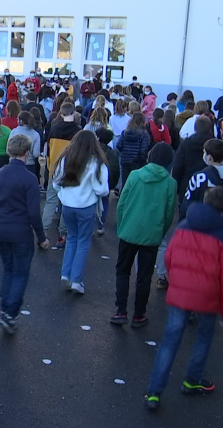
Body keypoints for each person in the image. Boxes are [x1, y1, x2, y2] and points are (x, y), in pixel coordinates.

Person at [143, 186, 223, 412]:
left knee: (170, 340)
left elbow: (169, 257)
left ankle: (154, 392)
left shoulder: (185, 225)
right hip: (207, 296)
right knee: (204, 336)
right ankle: (192, 378)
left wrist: (176, 280)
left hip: (180, 292)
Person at [0, 135, 50, 332]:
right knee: (20, 272)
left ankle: (5, 306)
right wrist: (41, 237)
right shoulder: (29, 179)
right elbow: (33, 212)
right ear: (27, 153)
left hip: (2, 229)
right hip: (21, 231)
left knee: (8, 268)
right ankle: (10, 311)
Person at [110, 144, 176, 327]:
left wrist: (122, 225)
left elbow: (122, 203)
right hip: (152, 232)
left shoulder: (135, 176)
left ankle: (121, 310)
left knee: (123, 270)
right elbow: (169, 213)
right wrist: (160, 231)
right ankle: (139, 314)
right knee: (145, 276)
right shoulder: (170, 183)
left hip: (130, 229)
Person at [53, 131, 109, 295]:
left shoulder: (65, 159)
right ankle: (76, 280)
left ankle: (66, 273)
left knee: (72, 238)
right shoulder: (96, 163)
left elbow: (56, 183)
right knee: (83, 242)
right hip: (86, 206)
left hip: (67, 205)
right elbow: (102, 189)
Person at [180, 138, 223, 232]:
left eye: (204, 152)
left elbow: (187, 204)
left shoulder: (199, 178)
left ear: (209, 157)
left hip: (200, 227)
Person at [42, 102, 80, 247]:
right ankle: (62, 234)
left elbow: (48, 149)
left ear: (61, 113)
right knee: (66, 203)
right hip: (70, 171)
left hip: (54, 169)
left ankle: (44, 231)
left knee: (50, 201)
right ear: (74, 113)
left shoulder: (54, 129)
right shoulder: (78, 131)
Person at [172, 115, 214, 200]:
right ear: (210, 128)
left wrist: (176, 185)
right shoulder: (214, 144)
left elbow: (178, 166)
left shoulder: (186, 144)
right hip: (210, 185)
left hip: (187, 183)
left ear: (195, 128)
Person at [95, 128, 120, 234]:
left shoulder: (92, 150)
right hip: (107, 183)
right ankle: (100, 225)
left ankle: (91, 225)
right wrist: (112, 184)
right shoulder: (112, 153)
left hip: (94, 182)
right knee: (104, 202)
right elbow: (115, 169)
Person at [117, 113, 150, 187]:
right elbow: (143, 150)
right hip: (136, 162)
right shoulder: (144, 134)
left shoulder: (125, 132)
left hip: (125, 160)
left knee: (125, 184)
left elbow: (118, 145)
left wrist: (124, 152)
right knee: (136, 185)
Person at [9, 111, 41, 175]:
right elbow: (36, 154)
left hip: (13, 162)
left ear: (21, 121)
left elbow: (8, 149)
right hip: (29, 164)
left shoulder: (13, 132)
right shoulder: (35, 134)